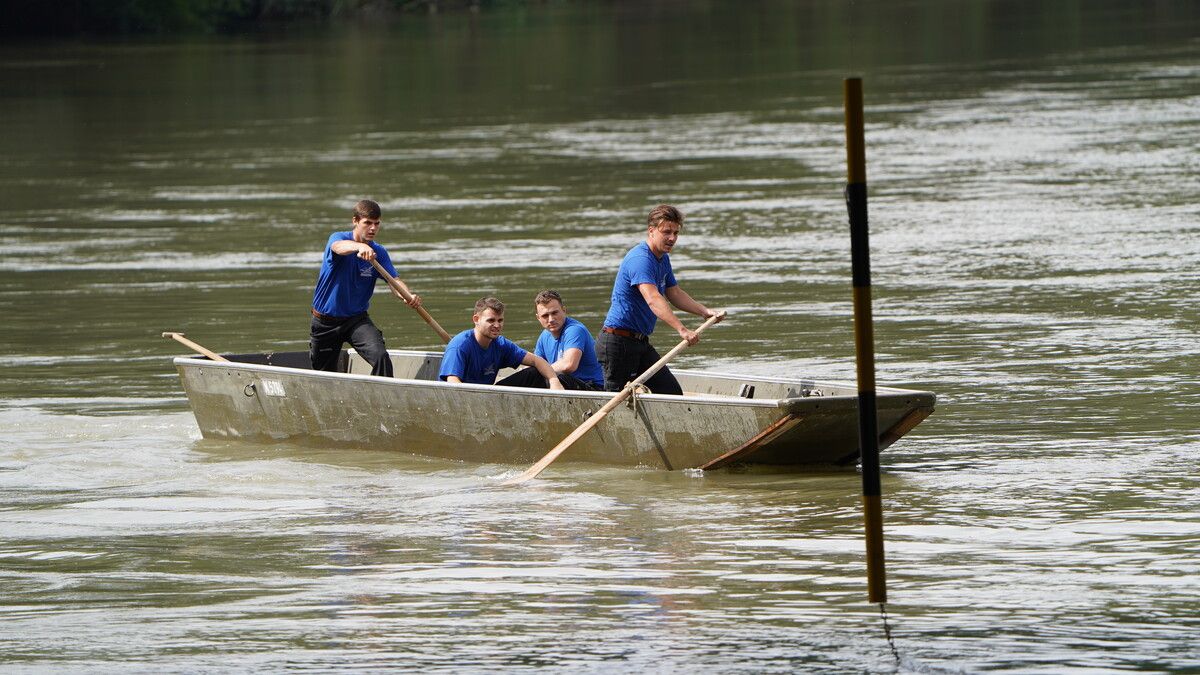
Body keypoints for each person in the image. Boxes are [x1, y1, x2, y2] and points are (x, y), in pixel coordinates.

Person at [597, 204, 725, 395]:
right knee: (613, 402)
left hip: (640, 343)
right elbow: (653, 298)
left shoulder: (662, 258)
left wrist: (704, 311)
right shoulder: (640, 259)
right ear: (651, 231)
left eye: (675, 233)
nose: (672, 238)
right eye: (666, 232)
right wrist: (681, 329)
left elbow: (674, 293)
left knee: (671, 392)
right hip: (617, 343)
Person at [309, 199, 421, 377]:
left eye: (377, 224)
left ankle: (384, 400)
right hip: (326, 322)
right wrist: (358, 247)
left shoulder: (379, 252)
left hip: (356, 320)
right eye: (367, 223)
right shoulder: (338, 238)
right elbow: (338, 247)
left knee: (381, 357)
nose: (373, 228)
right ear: (355, 221)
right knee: (324, 375)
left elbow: (394, 281)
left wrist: (408, 296)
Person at [439, 297, 565, 390]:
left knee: (534, 373)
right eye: (491, 320)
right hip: (460, 399)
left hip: (488, 396)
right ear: (476, 319)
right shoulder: (460, 345)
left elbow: (537, 361)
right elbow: (453, 383)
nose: (497, 325)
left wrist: (554, 381)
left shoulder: (501, 344)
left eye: (500, 320)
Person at [531, 289, 604, 391]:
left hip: (592, 387)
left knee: (557, 378)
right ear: (538, 318)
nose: (551, 319)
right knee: (532, 376)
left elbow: (569, 365)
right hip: (568, 384)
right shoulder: (544, 336)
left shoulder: (575, 330)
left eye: (555, 313)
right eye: (545, 316)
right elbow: (535, 364)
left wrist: (543, 370)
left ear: (564, 311)